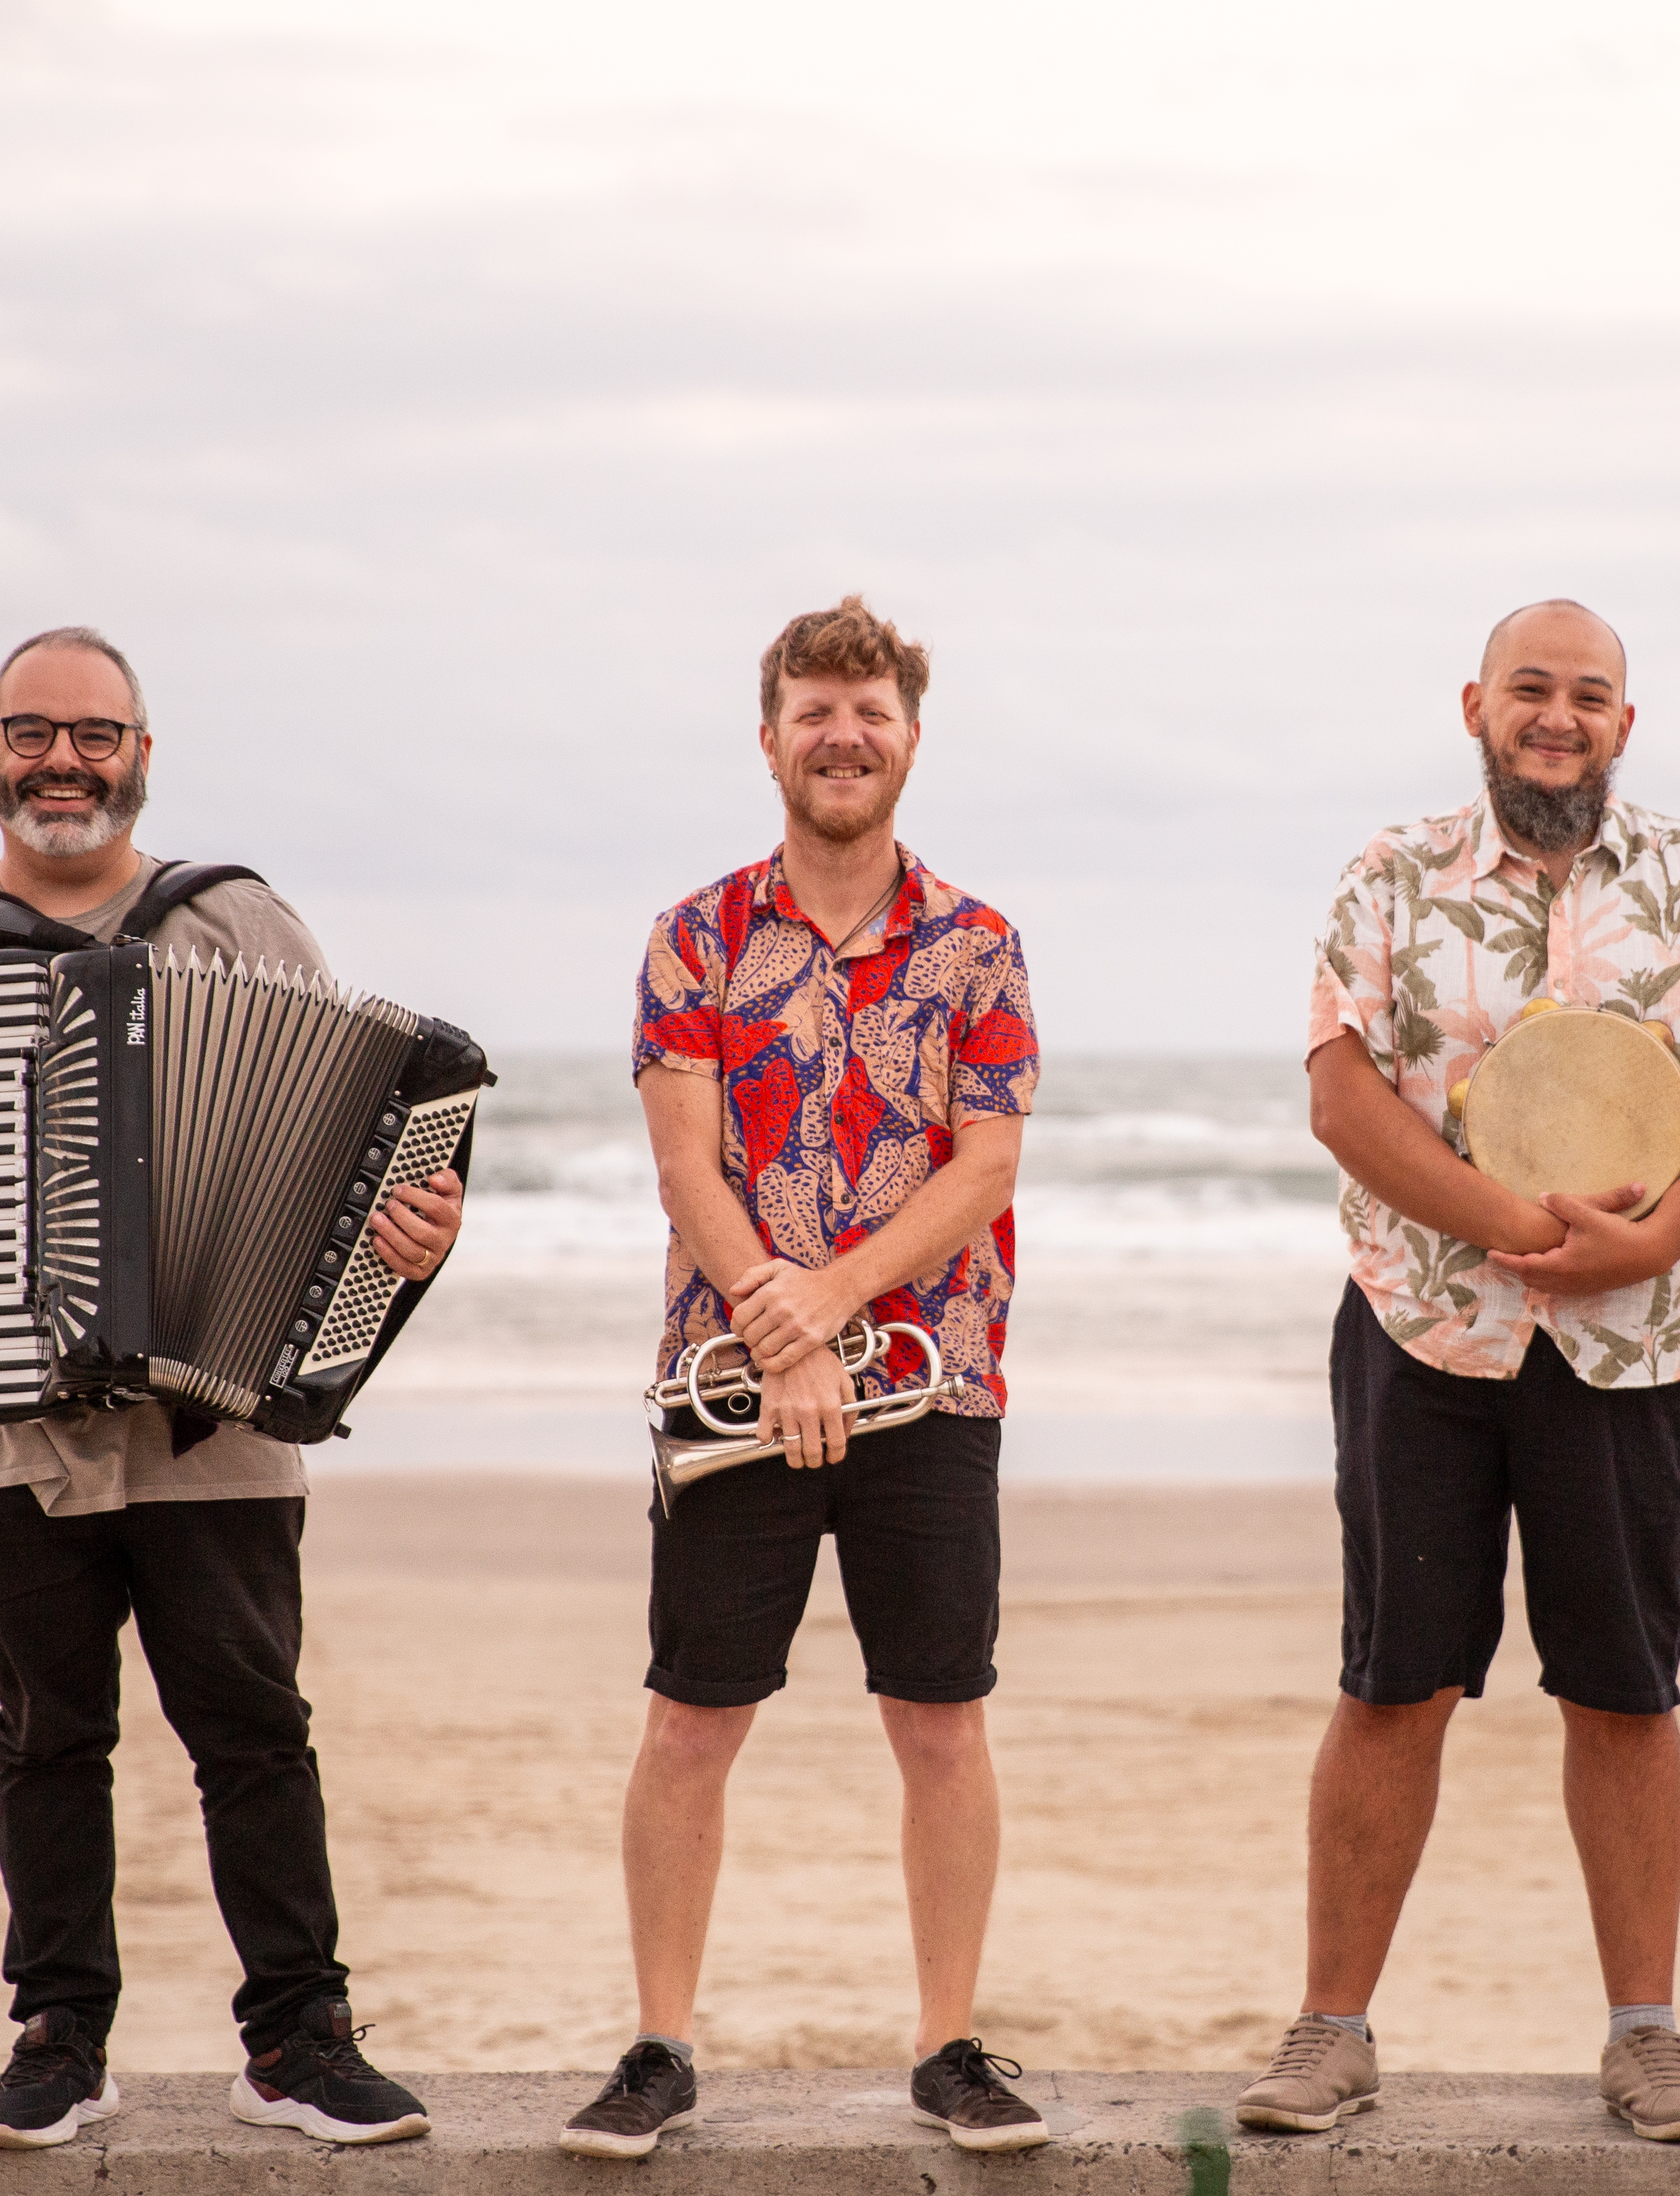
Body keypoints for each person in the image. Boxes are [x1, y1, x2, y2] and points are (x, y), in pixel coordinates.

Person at [0, 627, 460, 2150]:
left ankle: (297, 2041)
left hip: (211, 1427)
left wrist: (419, 1225)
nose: (64, 761)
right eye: (33, 733)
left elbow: (354, 1137)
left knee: (255, 1730)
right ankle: (58, 2041)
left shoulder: (236, 921)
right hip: (12, 1425)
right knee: (43, 1730)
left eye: (95, 734)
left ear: (144, 754)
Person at [1234, 600, 1680, 2145]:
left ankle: (1648, 2040)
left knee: (1623, 1689)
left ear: (1627, 724)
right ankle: (1330, 2031)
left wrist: (1654, 1242)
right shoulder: (1390, 875)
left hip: (1636, 1348)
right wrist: (1508, 1225)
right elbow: (1342, 1097)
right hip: (1425, 1328)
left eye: (1588, 696)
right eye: (1529, 692)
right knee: (1395, 1680)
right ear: (1476, 707)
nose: (1556, 718)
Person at [558, 597, 1046, 2161]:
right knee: (692, 1720)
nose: (844, 736)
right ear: (768, 737)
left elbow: (984, 1164)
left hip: (933, 1380)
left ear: (911, 736)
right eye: (814, 711)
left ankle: (949, 2045)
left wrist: (830, 1312)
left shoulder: (978, 943)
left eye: (872, 711)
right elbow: (683, 1168)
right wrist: (790, 1344)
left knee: (940, 1723)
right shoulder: (693, 935)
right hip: (728, 1389)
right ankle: (657, 2046)